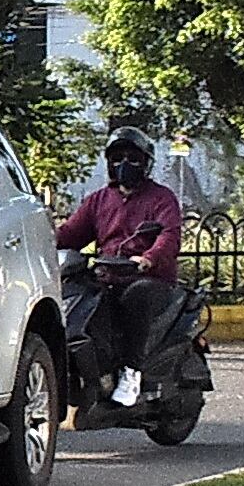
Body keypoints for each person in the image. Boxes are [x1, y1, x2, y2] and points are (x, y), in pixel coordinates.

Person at [56, 129, 184, 398]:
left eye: (133, 158)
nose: (124, 164)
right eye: (117, 158)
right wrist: (41, 241)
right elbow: (71, 234)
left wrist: (148, 259)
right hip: (106, 275)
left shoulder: (162, 199)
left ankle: (131, 372)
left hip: (148, 279)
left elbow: (169, 235)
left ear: (146, 163)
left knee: (137, 296)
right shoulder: (99, 200)